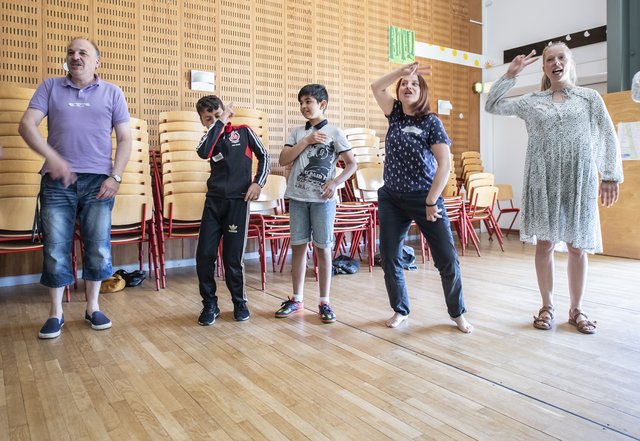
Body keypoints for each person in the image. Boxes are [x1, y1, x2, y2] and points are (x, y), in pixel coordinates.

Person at [485, 42, 623, 334]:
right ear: (545, 67)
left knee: (577, 245)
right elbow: (492, 105)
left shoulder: (589, 98)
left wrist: (610, 174)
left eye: (561, 57)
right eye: (550, 59)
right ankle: (547, 306)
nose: (556, 62)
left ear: (570, 62)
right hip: (542, 178)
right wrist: (510, 74)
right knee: (545, 244)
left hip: (579, 178)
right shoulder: (532, 100)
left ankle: (577, 309)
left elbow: (607, 135)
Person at [18, 38, 132, 339]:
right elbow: (26, 125)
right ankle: (55, 313)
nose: (75, 57)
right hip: (57, 182)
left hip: (99, 183)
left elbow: (125, 139)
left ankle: (92, 307)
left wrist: (116, 177)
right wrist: (53, 159)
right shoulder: (50, 87)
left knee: (97, 246)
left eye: (83, 53)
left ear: (97, 61)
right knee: (56, 248)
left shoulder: (113, 92)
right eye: (71, 52)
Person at [371, 62, 472, 333]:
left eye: (414, 84)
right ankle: (400, 309)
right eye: (405, 84)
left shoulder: (431, 122)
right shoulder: (394, 115)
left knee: (446, 259)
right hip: (392, 197)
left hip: (425, 197)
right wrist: (401, 72)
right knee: (390, 256)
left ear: (422, 92)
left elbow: (445, 165)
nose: (408, 87)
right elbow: (376, 87)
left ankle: (457, 312)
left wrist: (430, 201)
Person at [275, 84, 357, 324]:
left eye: (308, 102)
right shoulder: (298, 133)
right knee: (299, 247)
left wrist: (335, 182)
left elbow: (352, 164)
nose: (303, 107)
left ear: (322, 104)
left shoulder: (335, 132)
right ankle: (297, 298)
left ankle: (324, 301)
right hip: (298, 198)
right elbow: (283, 159)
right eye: (301, 103)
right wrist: (308, 141)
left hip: (322, 200)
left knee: (323, 249)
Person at [195, 95, 270, 325]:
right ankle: (210, 305)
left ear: (225, 112)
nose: (215, 120)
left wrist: (258, 183)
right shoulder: (208, 137)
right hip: (214, 203)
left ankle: (239, 302)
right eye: (208, 118)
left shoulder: (244, 131)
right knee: (204, 256)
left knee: (232, 258)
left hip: (238, 202)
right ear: (203, 121)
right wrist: (218, 124)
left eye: (218, 114)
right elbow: (203, 152)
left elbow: (264, 156)